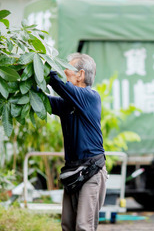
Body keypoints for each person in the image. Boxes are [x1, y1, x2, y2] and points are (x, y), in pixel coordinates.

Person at [48, 53, 108, 231]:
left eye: (65, 67)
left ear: (80, 75)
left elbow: (58, 84)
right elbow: (43, 102)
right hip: (73, 172)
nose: (62, 70)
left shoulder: (90, 97)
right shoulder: (68, 103)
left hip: (91, 171)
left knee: (83, 226)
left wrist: (48, 66)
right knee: (67, 225)